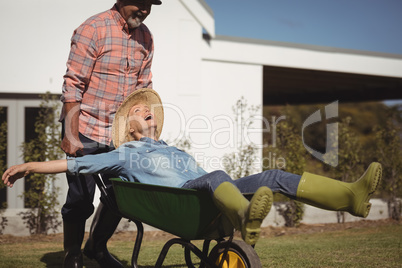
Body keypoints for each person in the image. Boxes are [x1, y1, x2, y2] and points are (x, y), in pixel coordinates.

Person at [3, 89, 383, 248]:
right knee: (218, 176)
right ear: (129, 127)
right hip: (189, 203)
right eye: (138, 110)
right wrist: (31, 166)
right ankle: (244, 215)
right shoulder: (124, 154)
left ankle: (350, 196)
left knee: (273, 176)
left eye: (147, 108)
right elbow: (76, 163)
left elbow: (209, 178)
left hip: (209, 196)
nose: (146, 109)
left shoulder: (170, 148)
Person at [59, 0, 162, 267]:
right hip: (86, 128)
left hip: (121, 134)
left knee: (120, 195)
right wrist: (70, 135)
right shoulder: (93, 29)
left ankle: (96, 247)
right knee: (80, 197)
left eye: (150, 5)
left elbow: (143, 89)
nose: (146, 10)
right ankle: (72, 253)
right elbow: (73, 84)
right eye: (141, 2)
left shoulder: (146, 37)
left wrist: (145, 133)